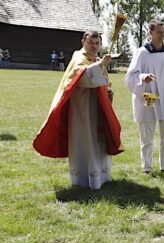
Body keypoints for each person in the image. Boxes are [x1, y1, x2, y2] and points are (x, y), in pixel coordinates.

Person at [33, 30, 123, 190]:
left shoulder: (94, 58)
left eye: (97, 43)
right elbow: (83, 78)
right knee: (86, 140)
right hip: (83, 109)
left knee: (99, 140)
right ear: (83, 42)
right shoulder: (78, 58)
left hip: (98, 107)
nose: (94, 46)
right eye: (91, 43)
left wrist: (108, 88)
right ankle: (85, 179)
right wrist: (101, 64)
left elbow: (101, 79)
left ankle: (102, 176)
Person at [125, 19, 164, 175]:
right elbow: (131, 76)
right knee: (147, 134)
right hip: (149, 95)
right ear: (150, 33)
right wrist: (142, 78)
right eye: (159, 32)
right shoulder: (142, 52)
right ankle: (147, 168)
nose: (162, 35)